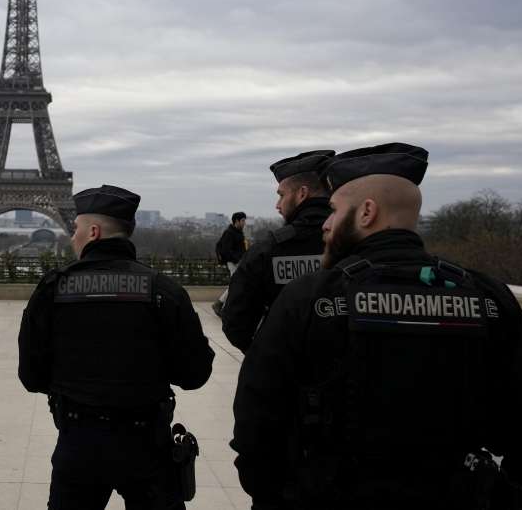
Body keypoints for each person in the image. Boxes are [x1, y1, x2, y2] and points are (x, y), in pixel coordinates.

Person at [232, 143, 522, 510]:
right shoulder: (487, 298)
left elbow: (256, 429)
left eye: (333, 211)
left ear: (366, 212)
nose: (325, 224)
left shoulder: (309, 300)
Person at [19, 185, 216, 509]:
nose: (72, 237)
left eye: (77, 229)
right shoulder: (163, 290)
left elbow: (31, 376)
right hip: (146, 442)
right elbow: (194, 374)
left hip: (78, 439)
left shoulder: (54, 290)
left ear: (93, 232)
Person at [220, 150, 334, 352]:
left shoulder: (268, 250)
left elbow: (236, 322)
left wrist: (267, 356)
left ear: (302, 193)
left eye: (281, 195)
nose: (278, 205)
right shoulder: (354, 243)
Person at [211, 212, 247, 316]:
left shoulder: (238, 232)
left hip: (237, 262)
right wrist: (237, 260)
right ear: (237, 221)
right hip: (233, 263)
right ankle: (222, 306)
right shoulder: (230, 233)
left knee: (235, 285)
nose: (244, 223)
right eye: (243, 221)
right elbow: (227, 250)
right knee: (235, 285)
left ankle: (220, 304)